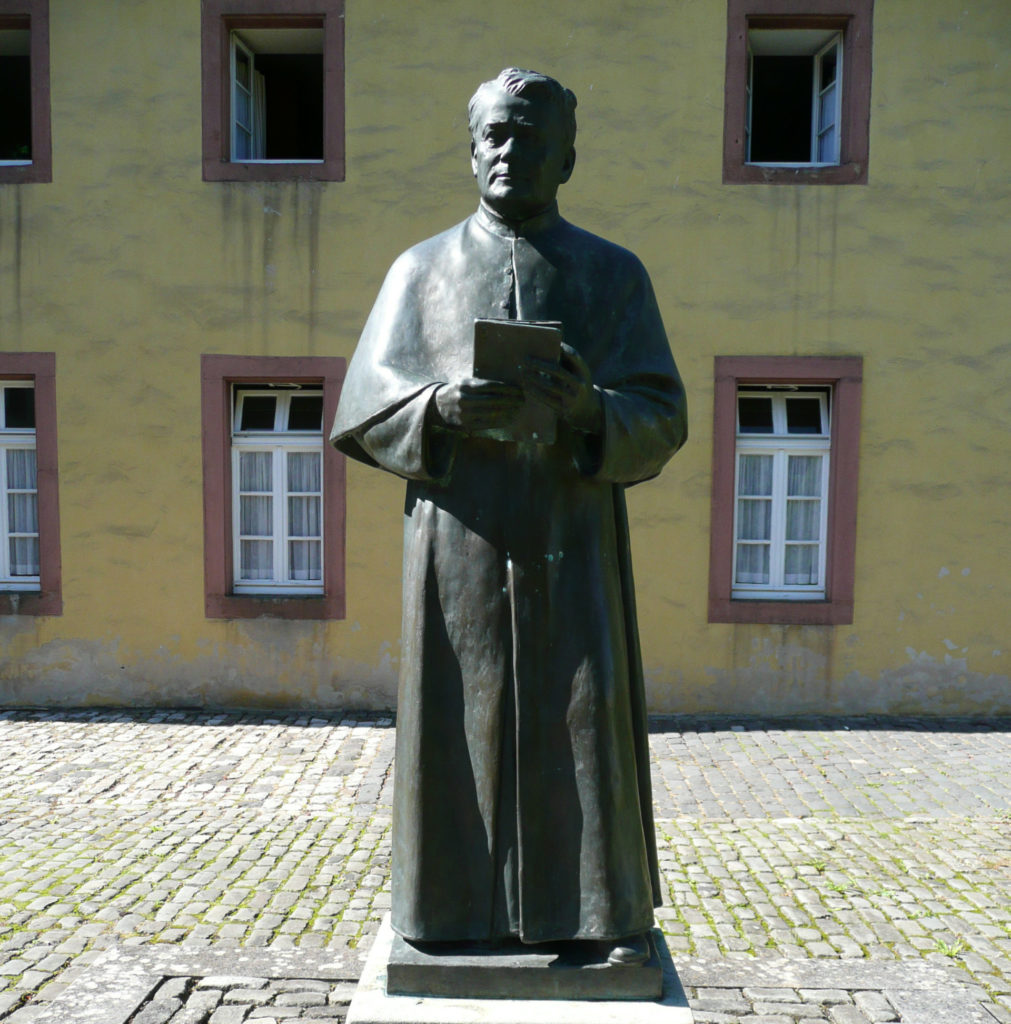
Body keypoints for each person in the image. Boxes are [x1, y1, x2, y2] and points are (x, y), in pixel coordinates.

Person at [331, 68, 687, 966]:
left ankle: (597, 919)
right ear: (471, 150)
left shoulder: (612, 274)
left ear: (565, 157)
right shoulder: (418, 270)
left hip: (573, 542)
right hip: (459, 542)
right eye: (494, 134)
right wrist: (439, 408)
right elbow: (362, 409)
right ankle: (450, 916)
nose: (509, 152)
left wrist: (588, 409)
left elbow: (662, 413)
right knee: (457, 721)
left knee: (581, 723)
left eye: (531, 137)